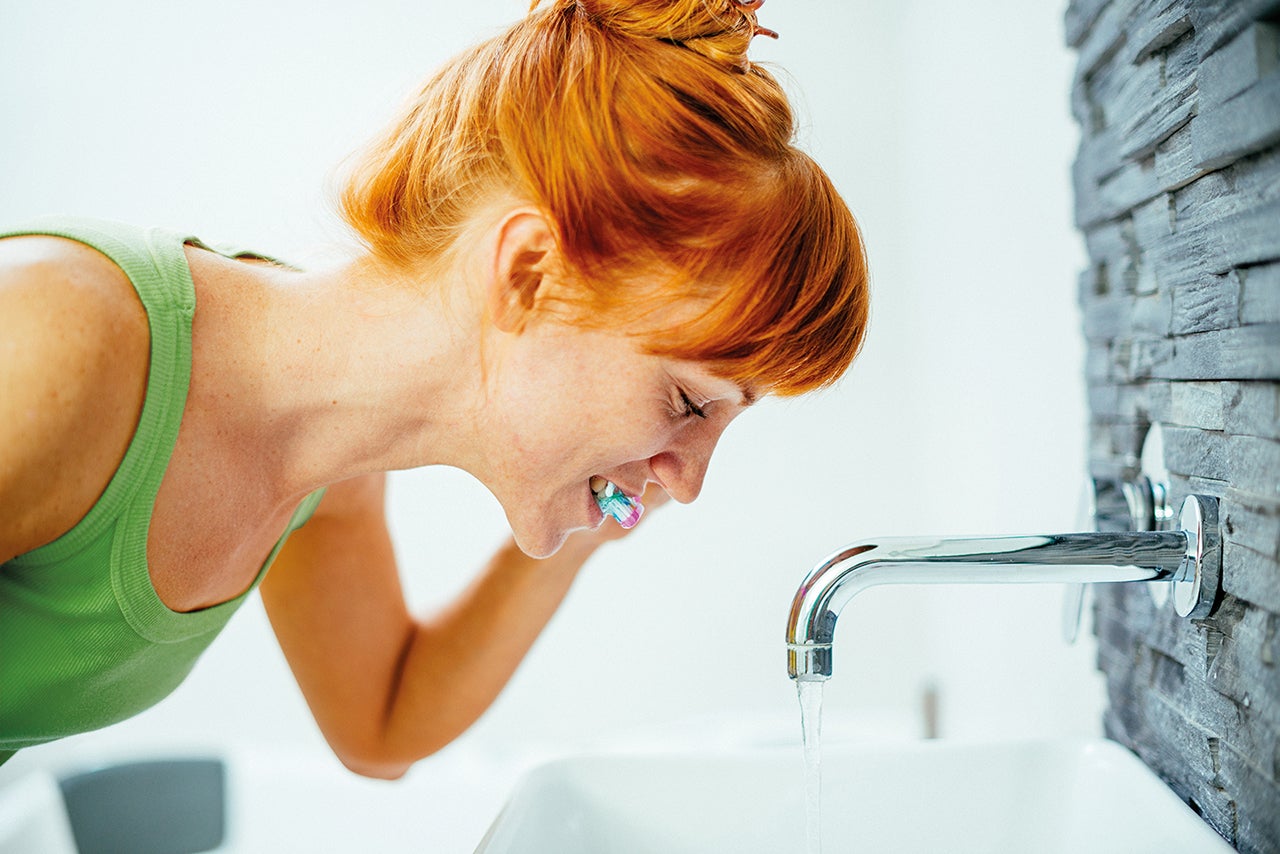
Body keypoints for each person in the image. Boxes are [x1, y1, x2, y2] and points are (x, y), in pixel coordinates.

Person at [0, 0, 868, 778]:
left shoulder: (327, 468)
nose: (691, 480)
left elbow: (380, 723)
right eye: (687, 403)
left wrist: (590, 521)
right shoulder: (58, 342)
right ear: (527, 272)